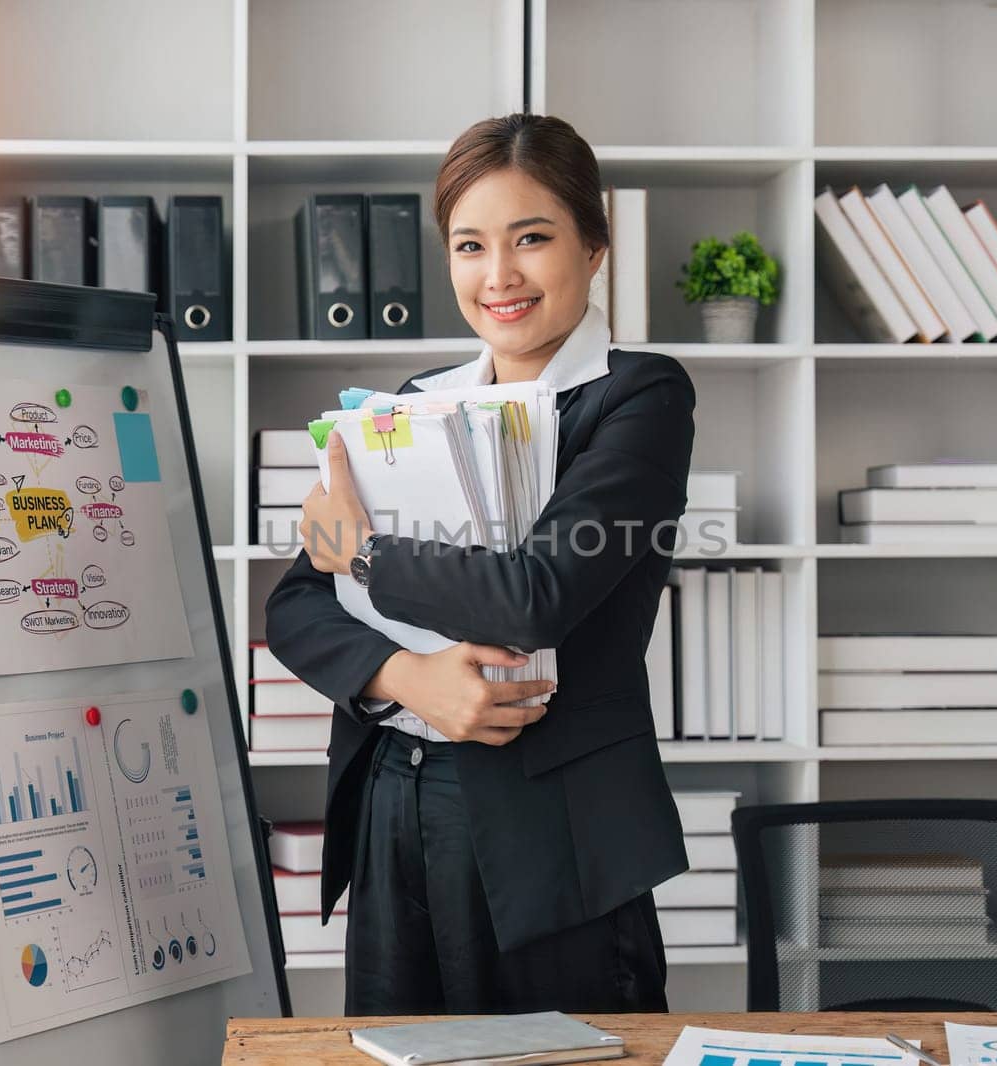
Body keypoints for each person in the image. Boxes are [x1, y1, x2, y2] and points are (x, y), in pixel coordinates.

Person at [264, 112, 696, 1016]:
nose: (498, 276)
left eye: (531, 238)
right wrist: (406, 677)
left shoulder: (638, 396)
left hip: (556, 836)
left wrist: (370, 553)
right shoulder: (411, 409)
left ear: (595, 243)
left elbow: (538, 595)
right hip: (394, 800)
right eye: (469, 245)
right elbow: (300, 604)